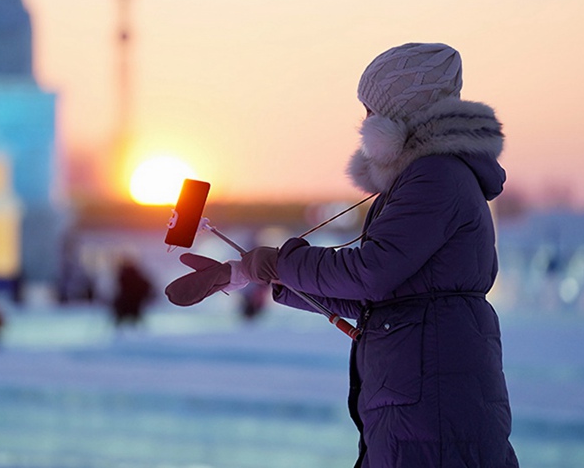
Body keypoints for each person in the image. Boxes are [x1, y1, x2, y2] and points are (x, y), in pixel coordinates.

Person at [166, 43, 518, 467]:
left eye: (372, 110)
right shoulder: (425, 177)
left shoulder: (436, 175)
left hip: (433, 409)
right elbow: (374, 298)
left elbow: (371, 273)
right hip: (417, 401)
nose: (364, 122)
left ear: (401, 113)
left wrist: (277, 263)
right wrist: (246, 273)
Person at [111, 254, 153, 328]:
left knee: (123, 318)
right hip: (133, 302)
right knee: (134, 318)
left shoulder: (124, 275)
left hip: (128, 302)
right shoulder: (136, 274)